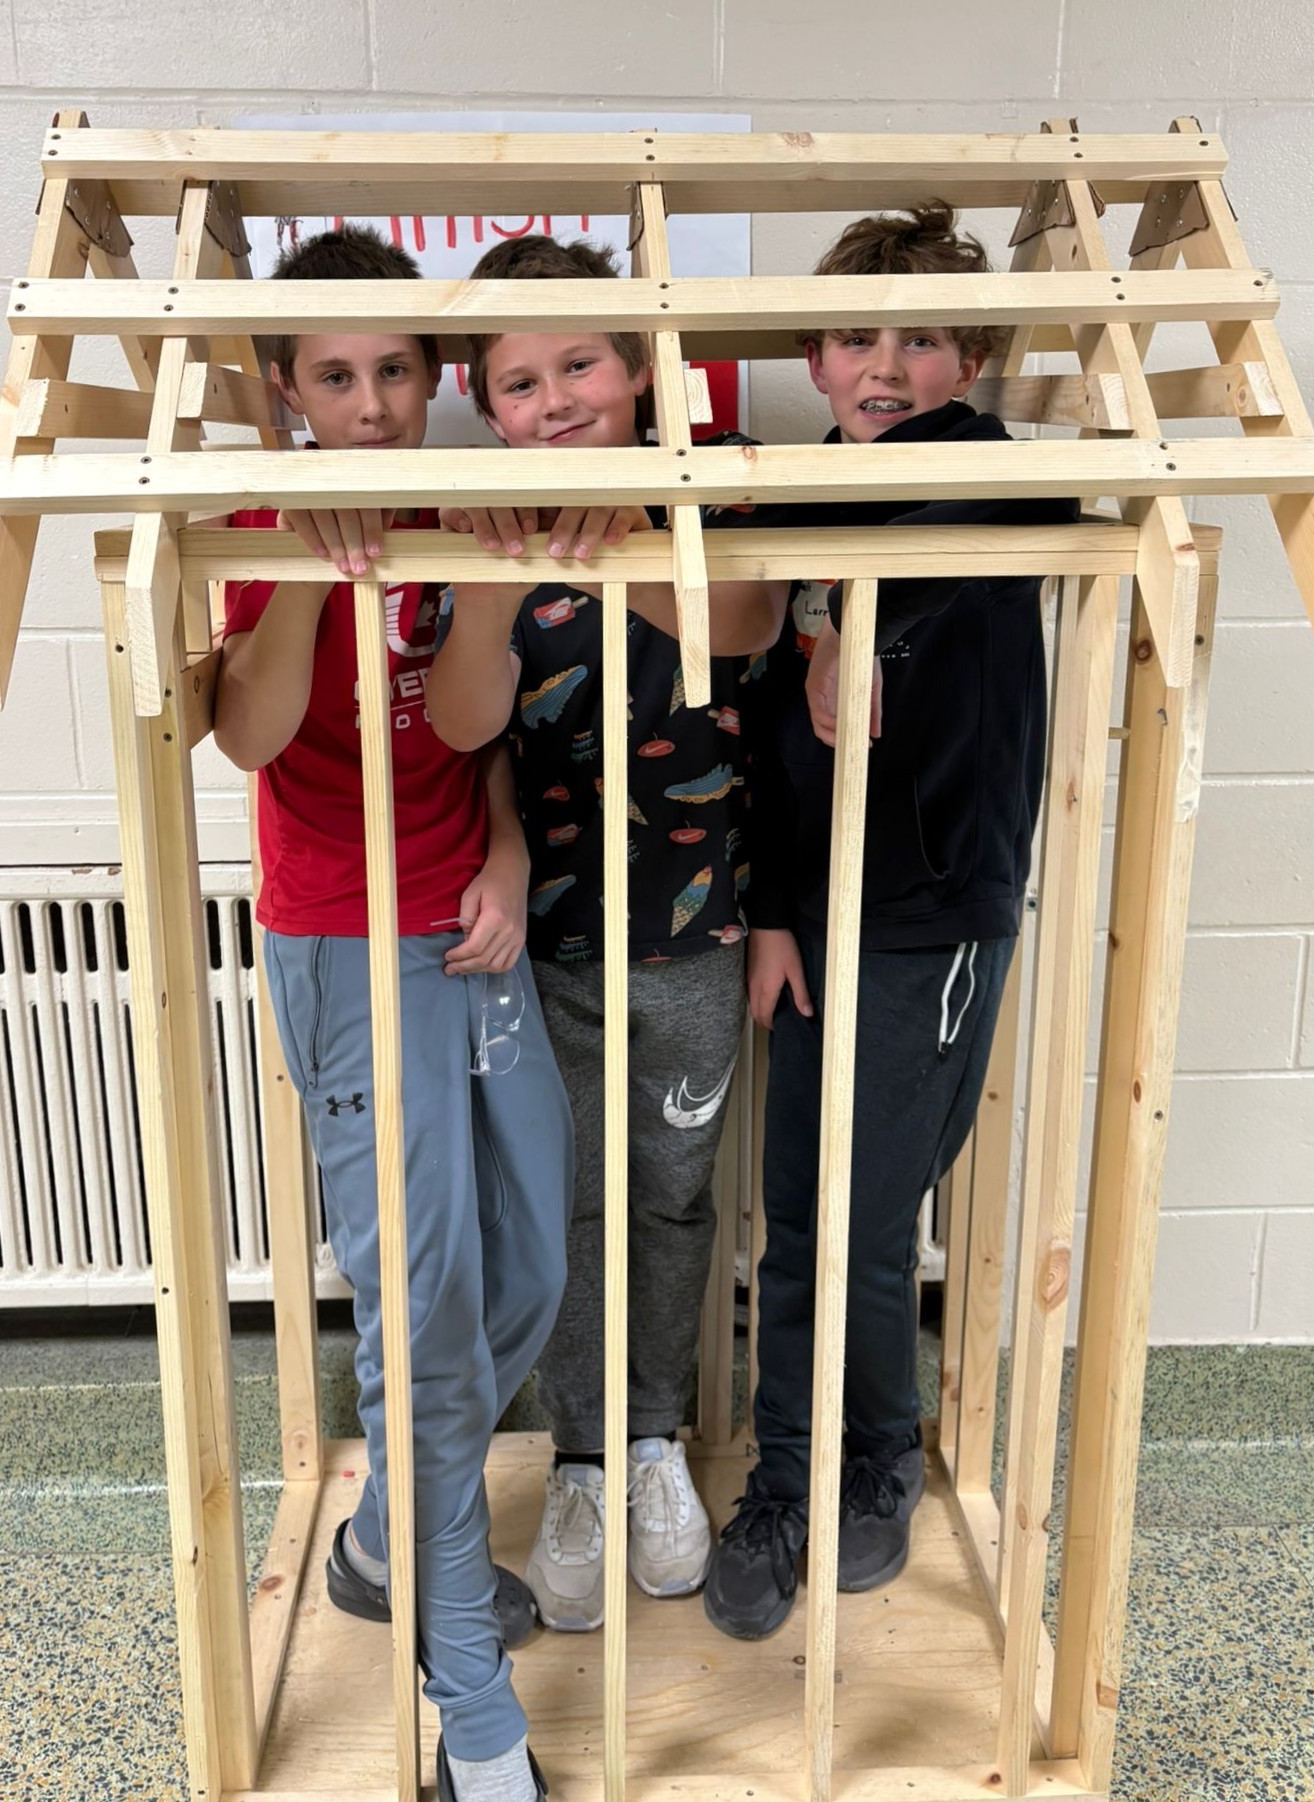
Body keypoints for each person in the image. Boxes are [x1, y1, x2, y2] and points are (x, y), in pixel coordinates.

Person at [213, 224, 571, 1802]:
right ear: (286, 391)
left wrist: (500, 838)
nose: (369, 407)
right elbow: (250, 732)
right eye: (335, 378)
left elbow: (474, 723)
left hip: (463, 921)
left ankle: (380, 1536)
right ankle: (468, 1704)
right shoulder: (252, 512)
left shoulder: (459, 502)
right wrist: (304, 554)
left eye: (395, 373)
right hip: (341, 945)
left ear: (432, 382)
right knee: (419, 1314)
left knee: (534, 1261)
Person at [702, 202, 1079, 1641]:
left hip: (931, 914)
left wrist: (851, 612)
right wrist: (775, 912)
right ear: (815, 351)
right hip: (822, 914)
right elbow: (778, 744)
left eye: (920, 338)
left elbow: (978, 509)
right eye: (857, 336)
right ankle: (784, 1479)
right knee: (799, 1212)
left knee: (864, 1220)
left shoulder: (984, 469)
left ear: (968, 356)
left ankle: (871, 1457)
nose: (884, 364)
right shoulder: (804, 500)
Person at [425, 233, 785, 1634]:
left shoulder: (704, 482)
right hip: (552, 944)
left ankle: (651, 1441)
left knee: (674, 1192)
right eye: (519, 382)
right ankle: (578, 1456)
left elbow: (745, 625)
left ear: (640, 372)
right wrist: (511, 573)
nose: (556, 398)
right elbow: (466, 728)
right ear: (488, 405)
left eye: (580, 362)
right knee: (561, 1202)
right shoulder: (474, 519)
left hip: (694, 935)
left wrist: (626, 529)